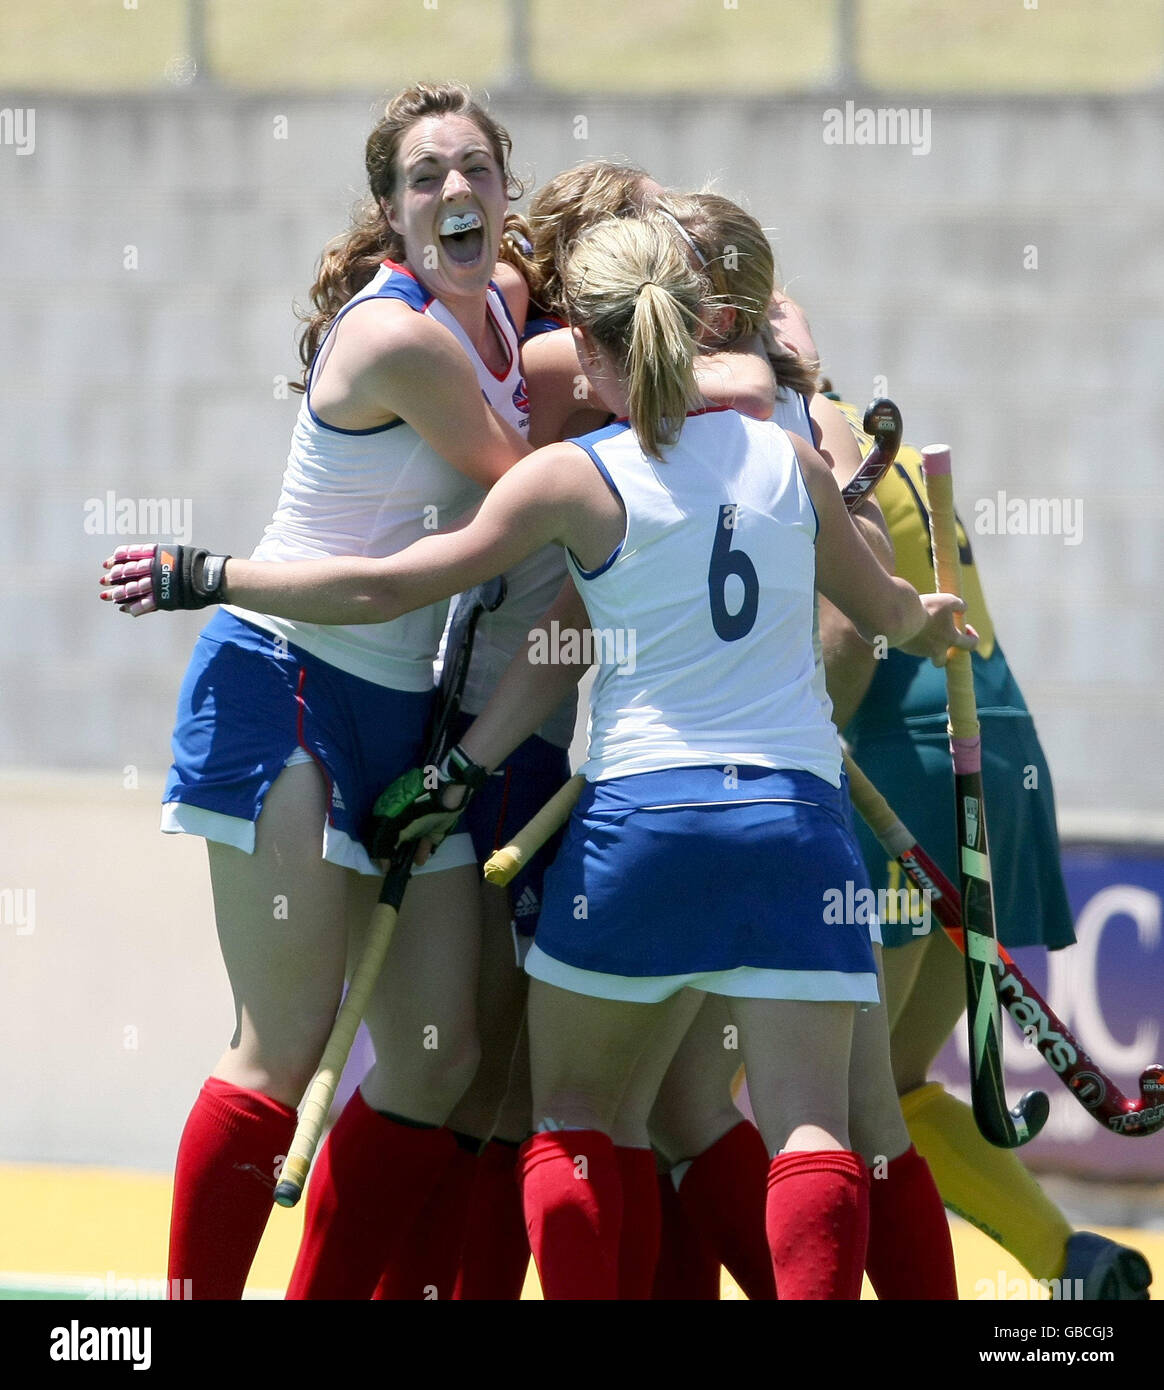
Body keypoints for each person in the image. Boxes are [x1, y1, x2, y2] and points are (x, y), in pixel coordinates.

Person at [104, 213, 974, 1299]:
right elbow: (889, 610)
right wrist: (937, 622)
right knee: (815, 1130)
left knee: (569, 1119)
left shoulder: (572, 479)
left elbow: (387, 586)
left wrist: (212, 573)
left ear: (597, 356)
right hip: (795, 831)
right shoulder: (793, 464)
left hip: (637, 832)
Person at [101, 81, 542, 1300]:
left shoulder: (509, 307)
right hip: (285, 675)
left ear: (506, 187)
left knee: (433, 1056)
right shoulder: (399, 336)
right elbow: (521, 507)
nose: (454, 191)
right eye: (424, 178)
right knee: (285, 1047)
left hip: (406, 712)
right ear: (394, 214)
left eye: (474, 170)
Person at [818, 391, 1153, 1301]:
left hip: (906, 749)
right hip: (991, 740)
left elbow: (844, 632)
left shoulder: (803, 424)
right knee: (886, 1079)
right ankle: (1071, 1261)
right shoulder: (840, 407)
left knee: (831, 1089)